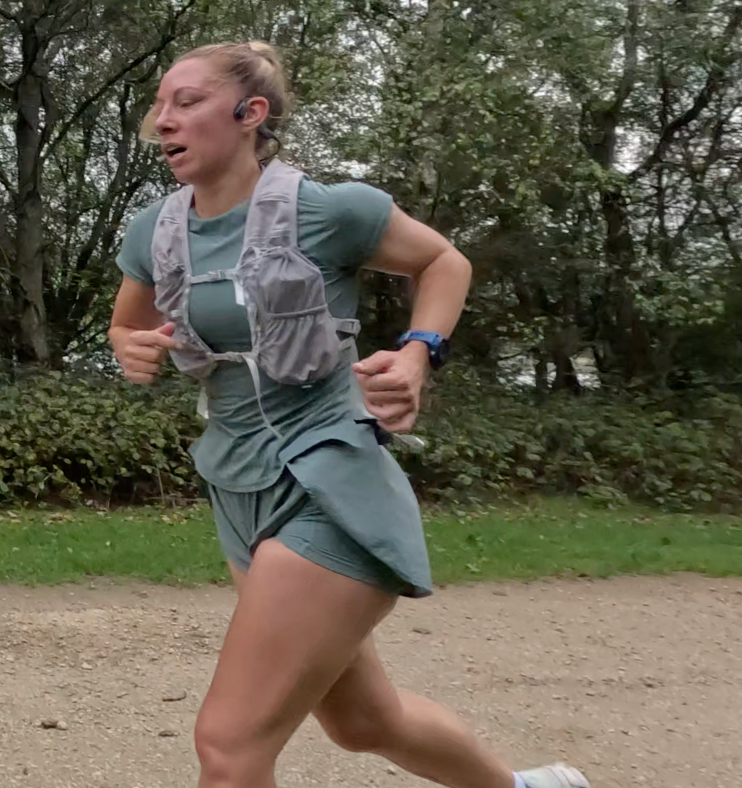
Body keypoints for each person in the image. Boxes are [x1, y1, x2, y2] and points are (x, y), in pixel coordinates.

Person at [108, 40, 590, 788]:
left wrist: (417, 353)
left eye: (186, 101)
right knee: (367, 722)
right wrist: (130, 350)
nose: (160, 120)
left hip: (330, 485)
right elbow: (126, 325)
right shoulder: (155, 232)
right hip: (239, 488)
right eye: (159, 104)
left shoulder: (327, 211)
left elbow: (443, 262)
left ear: (250, 113)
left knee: (229, 745)